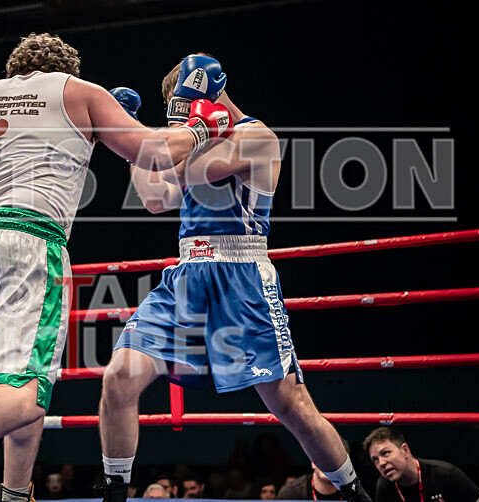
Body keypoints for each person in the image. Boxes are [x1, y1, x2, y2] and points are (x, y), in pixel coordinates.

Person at [0, 32, 233, 502]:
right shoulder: (78, 92)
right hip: (29, 240)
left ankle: (16, 494)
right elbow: (155, 154)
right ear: (67, 69)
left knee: (12, 382)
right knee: (22, 390)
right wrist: (201, 128)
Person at [97, 54, 374, 502]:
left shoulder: (256, 137)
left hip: (241, 278)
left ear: (208, 95)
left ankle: (355, 492)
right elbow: (154, 198)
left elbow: (189, 170)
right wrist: (131, 135)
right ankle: (113, 493)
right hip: (185, 277)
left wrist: (145, 140)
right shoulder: (196, 138)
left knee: (291, 404)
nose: (184, 120)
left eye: (185, 107)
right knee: (118, 377)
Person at [364, 427, 479, 502]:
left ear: (405, 450)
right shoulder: (384, 487)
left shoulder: (446, 474)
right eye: (375, 459)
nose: (381, 463)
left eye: (385, 453)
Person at [276, 438, 352, 500]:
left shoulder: (354, 493)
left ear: (345, 464)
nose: (328, 463)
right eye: (323, 456)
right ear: (313, 462)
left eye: (335, 458)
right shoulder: (291, 494)